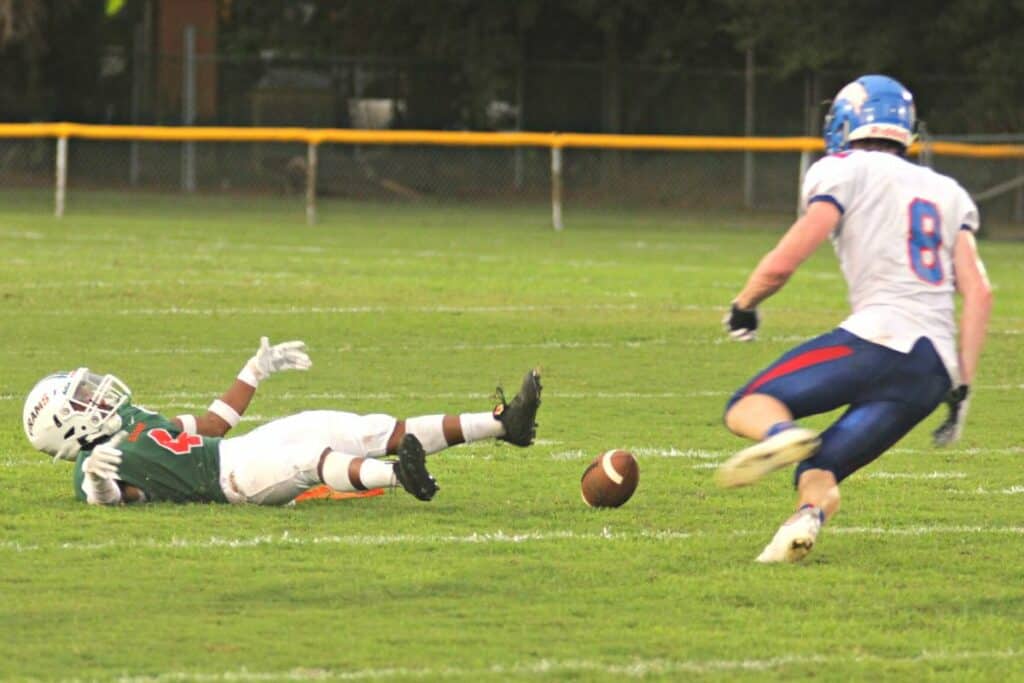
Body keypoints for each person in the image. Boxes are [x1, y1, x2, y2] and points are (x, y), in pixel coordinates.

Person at [718, 75, 992, 563]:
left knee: (748, 404)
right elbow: (979, 291)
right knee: (823, 469)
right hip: (932, 371)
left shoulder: (842, 168)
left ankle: (783, 436)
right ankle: (804, 522)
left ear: (846, 121)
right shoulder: (946, 189)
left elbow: (788, 257)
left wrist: (745, 304)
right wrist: (962, 389)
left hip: (878, 338)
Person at [22, 336, 542, 506]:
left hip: (237, 449)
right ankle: (398, 476)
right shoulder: (92, 468)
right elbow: (122, 500)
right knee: (309, 460)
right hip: (230, 481)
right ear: (68, 426)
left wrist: (253, 371)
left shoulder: (131, 419)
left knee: (360, 428)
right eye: (83, 398)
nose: (96, 394)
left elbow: (212, 424)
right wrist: (99, 483)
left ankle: (503, 425)